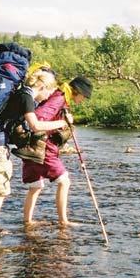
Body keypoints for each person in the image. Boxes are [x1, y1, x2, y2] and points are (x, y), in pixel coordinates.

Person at [0, 68, 72, 245]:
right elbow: (35, 125)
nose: (48, 97)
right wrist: (62, 122)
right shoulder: (26, 97)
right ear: (42, 85)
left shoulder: (19, 93)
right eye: (48, 91)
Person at [21, 75, 93, 227]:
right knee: (64, 181)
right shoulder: (59, 98)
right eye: (84, 96)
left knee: (36, 185)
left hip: (31, 146)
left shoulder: (60, 96)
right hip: (44, 147)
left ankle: (27, 222)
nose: (83, 100)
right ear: (77, 91)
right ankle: (63, 221)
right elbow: (39, 118)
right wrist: (62, 122)